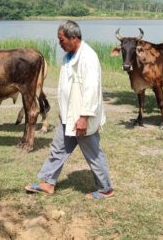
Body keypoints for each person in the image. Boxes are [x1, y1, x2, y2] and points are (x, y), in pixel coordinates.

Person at [25, 20, 114, 199]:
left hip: (82, 118)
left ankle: (106, 189)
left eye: (62, 40)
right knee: (58, 149)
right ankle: (47, 183)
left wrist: (84, 117)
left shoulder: (88, 57)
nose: (60, 44)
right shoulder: (68, 57)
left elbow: (91, 89)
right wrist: (63, 110)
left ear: (73, 38)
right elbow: (67, 88)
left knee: (93, 153)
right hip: (68, 116)